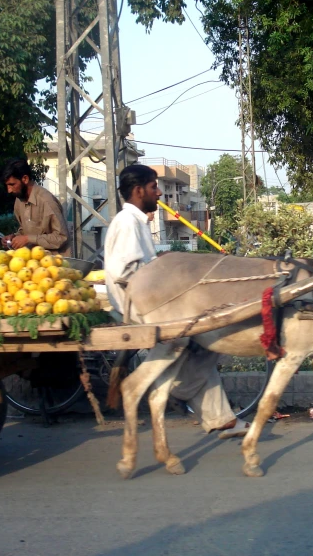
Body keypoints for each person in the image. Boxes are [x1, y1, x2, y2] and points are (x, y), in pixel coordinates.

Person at [104, 164, 249, 439]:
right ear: (138, 191)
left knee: (208, 342)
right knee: (200, 340)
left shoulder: (138, 222)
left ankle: (221, 418)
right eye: (154, 187)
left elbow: (143, 267)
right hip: (140, 308)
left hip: (152, 302)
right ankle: (175, 390)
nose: (159, 193)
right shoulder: (127, 223)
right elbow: (126, 274)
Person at [1, 159, 71, 256]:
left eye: (12, 185)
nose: (9, 190)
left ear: (25, 179)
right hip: (32, 265)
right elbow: (27, 231)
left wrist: (28, 239)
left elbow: (62, 237)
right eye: (7, 186)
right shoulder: (18, 201)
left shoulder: (46, 201)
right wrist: (14, 238)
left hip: (54, 264)